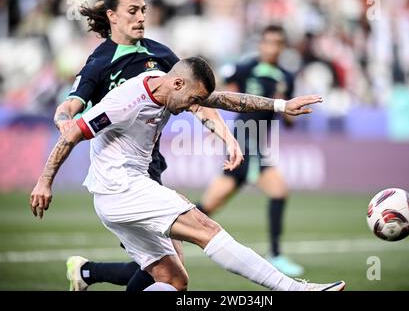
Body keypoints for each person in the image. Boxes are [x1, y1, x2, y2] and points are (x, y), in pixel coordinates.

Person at [30, 57, 345, 291]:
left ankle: (88, 273)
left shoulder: (167, 85)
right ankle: (295, 289)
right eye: (194, 100)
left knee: (173, 280)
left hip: (117, 195)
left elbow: (222, 99)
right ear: (178, 84)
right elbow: (72, 133)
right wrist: (44, 181)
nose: (195, 107)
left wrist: (279, 105)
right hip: (121, 187)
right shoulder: (125, 102)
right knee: (206, 228)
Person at [55, 0, 242, 291]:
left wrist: (227, 137)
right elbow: (70, 106)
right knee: (168, 268)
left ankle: (86, 271)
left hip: (150, 167)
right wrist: (63, 121)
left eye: (143, 10)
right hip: (118, 176)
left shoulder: (160, 54)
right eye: (133, 10)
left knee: (164, 266)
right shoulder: (100, 62)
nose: (141, 16)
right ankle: (86, 271)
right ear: (112, 16)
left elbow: (198, 97)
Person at [196, 25, 303, 277]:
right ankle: (275, 255)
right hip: (244, 143)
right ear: (261, 45)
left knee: (207, 206)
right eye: (268, 42)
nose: (272, 48)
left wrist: (285, 106)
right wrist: (210, 119)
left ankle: (164, 230)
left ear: (282, 47)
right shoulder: (246, 68)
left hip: (257, 146)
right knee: (279, 190)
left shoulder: (286, 78)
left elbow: (289, 122)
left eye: (277, 43)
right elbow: (219, 90)